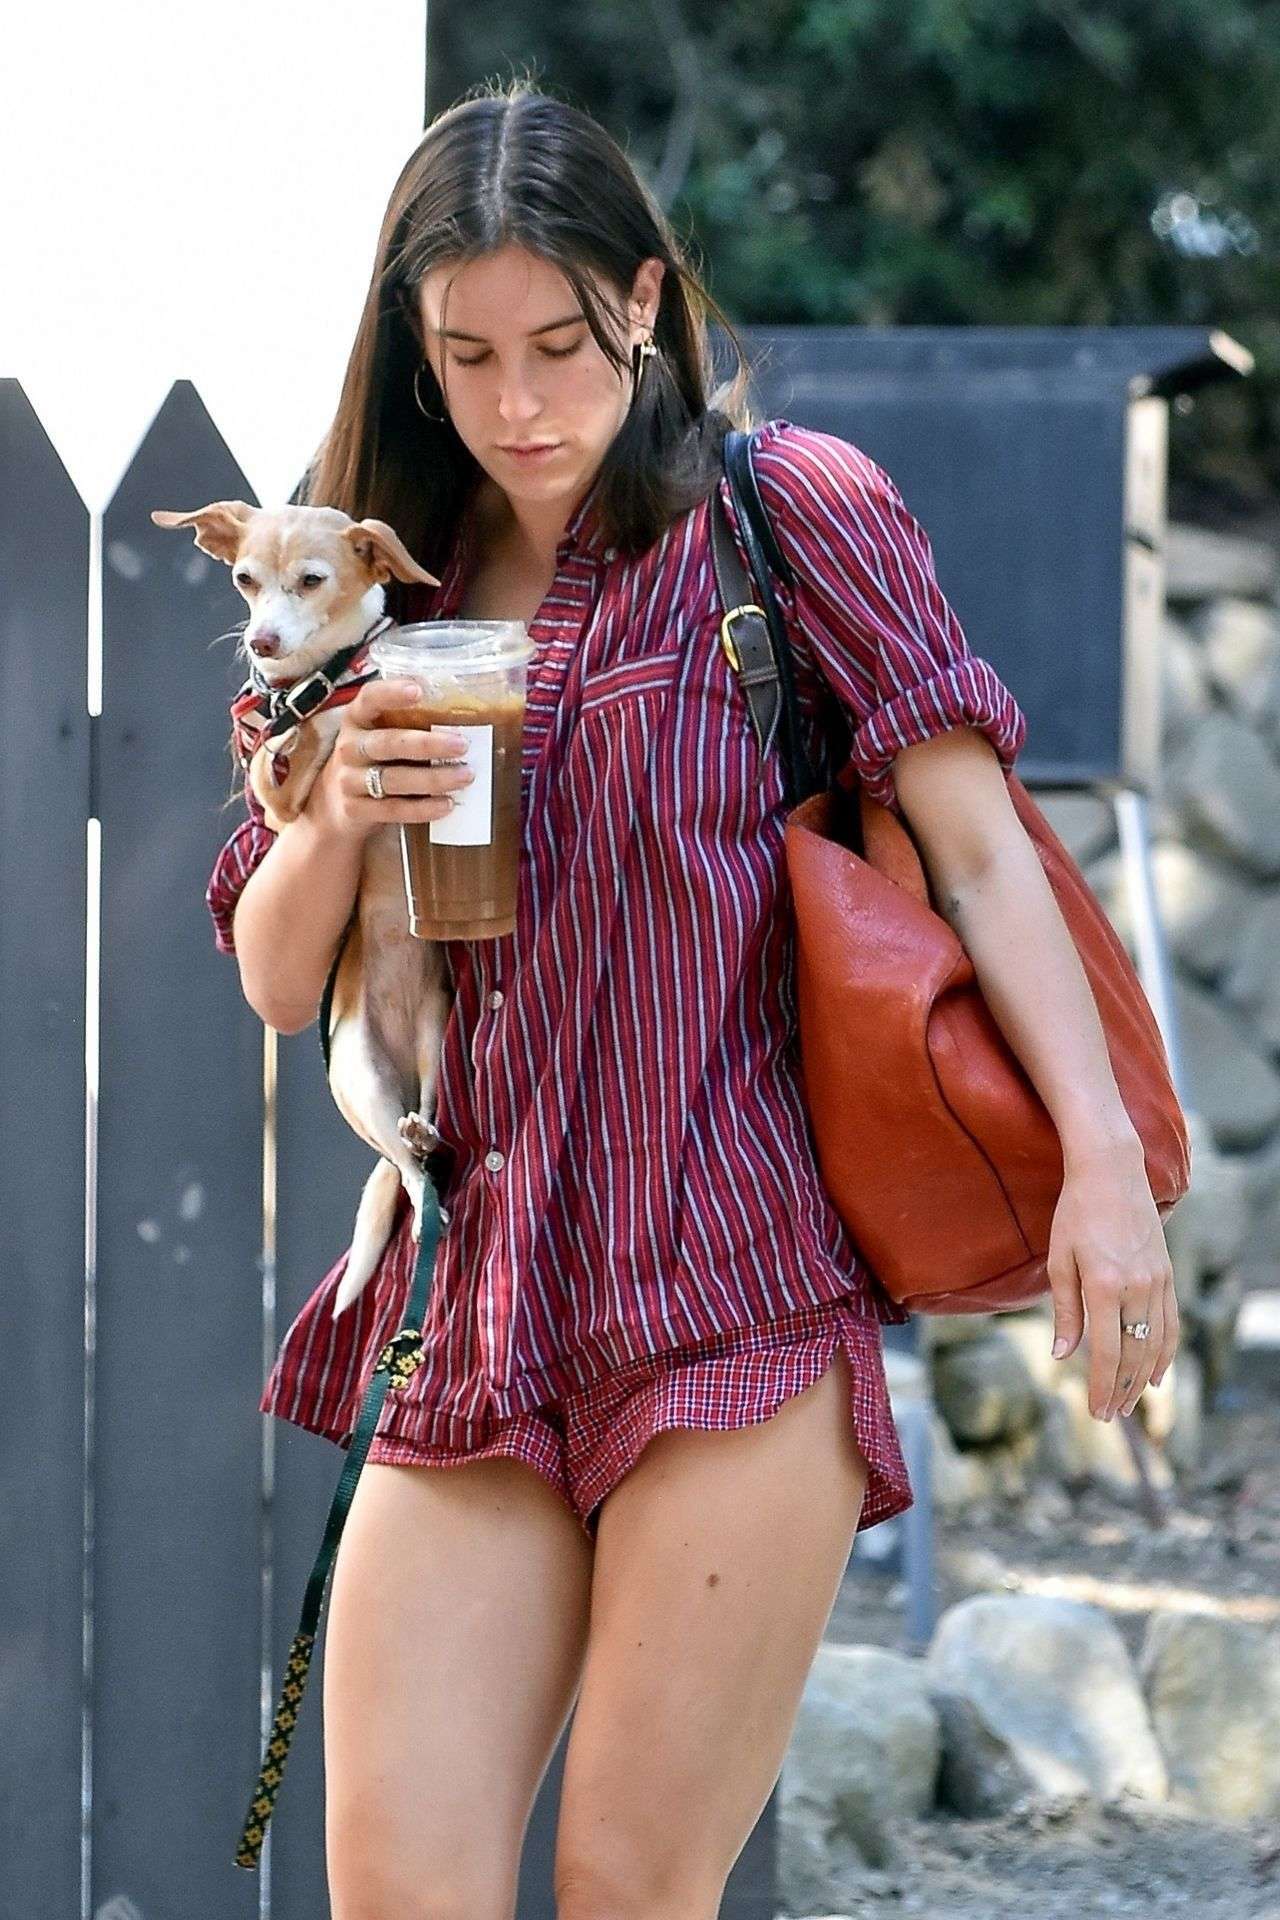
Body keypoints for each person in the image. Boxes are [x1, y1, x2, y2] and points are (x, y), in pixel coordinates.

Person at [206, 78, 1180, 1920]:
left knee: (631, 1886)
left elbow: (981, 855)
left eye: (562, 344)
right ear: (414, 349)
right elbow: (274, 980)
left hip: (734, 1291)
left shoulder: (785, 514)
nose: (519, 403)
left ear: (645, 303)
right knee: (397, 1889)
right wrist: (332, 808)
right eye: (468, 355)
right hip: (473, 1304)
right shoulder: (365, 586)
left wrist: (1106, 1171)